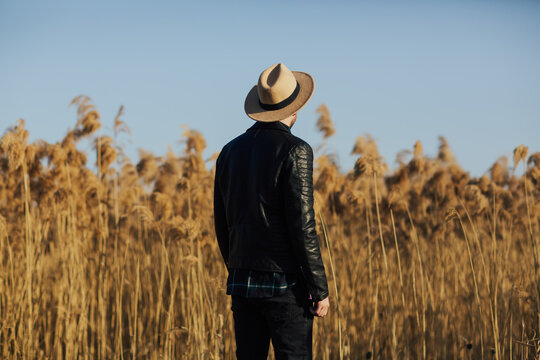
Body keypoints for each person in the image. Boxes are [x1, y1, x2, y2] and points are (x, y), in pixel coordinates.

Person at [213, 63, 330, 359]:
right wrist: (319, 288)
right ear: (295, 109)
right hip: (285, 286)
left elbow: (222, 223)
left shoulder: (229, 151)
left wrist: (237, 267)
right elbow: (302, 227)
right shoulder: (296, 150)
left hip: (242, 281)